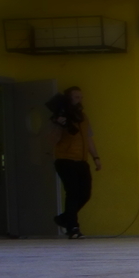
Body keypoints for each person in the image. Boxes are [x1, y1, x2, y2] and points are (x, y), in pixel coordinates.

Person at [48, 85, 100, 239]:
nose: (80, 100)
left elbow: (88, 138)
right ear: (68, 98)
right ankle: (73, 227)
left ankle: (64, 218)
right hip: (65, 159)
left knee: (85, 194)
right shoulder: (59, 117)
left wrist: (96, 157)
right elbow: (52, 140)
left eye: (81, 97)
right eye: (76, 97)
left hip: (82, 160)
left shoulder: (83, 117)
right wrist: (59, 124)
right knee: (72, 193)